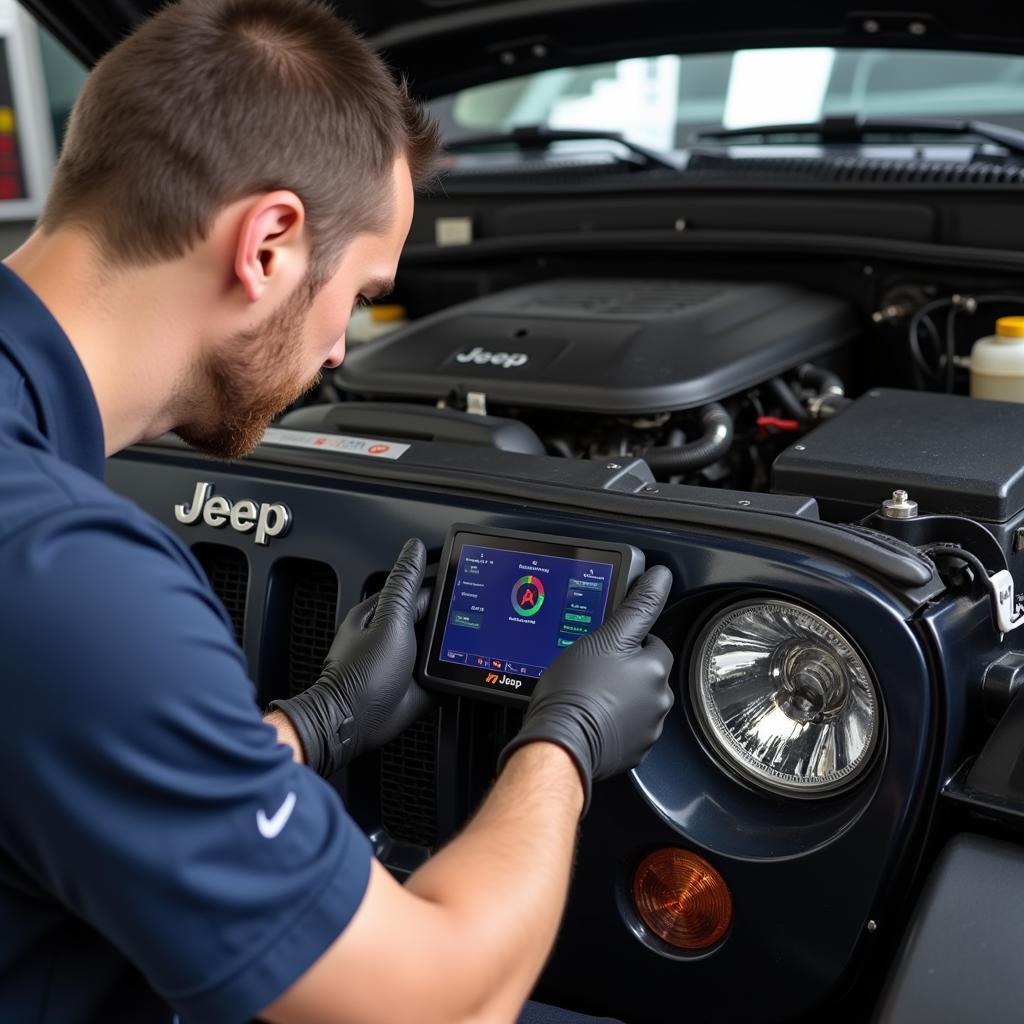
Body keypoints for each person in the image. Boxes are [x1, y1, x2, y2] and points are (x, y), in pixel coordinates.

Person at [0, 1, 675, 1022]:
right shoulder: (66, 574)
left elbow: (59, 755)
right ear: (268, 243)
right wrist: (565, 742)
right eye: (357, 296)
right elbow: (438, 1003)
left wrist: (307, 727)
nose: (336, 357)